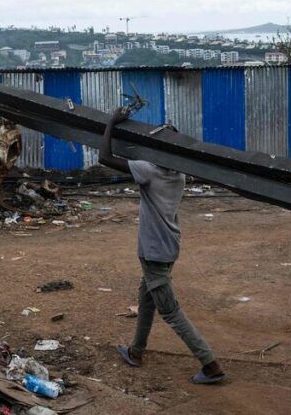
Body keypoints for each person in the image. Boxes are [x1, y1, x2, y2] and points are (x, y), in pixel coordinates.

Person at [98, 107, 226, 384]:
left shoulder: (149, 172)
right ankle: (136, 351)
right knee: (146, 297)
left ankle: (210, 364)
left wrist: (111, 123)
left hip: (154, 251)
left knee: (170, 310)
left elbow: (104, 157)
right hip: (168, 248)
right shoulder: (177, 175)